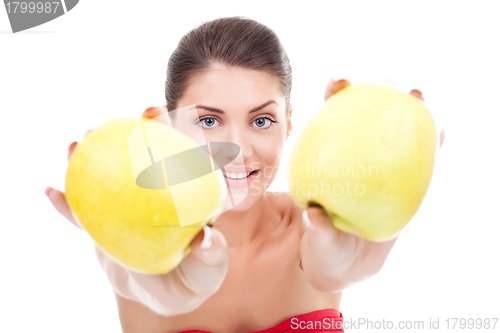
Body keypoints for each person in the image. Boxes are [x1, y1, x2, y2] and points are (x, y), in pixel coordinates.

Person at [45, 16, 445, 333]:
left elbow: (327, 266)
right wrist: (153, 279)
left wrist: (358, 241)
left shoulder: (316, 226)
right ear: (168, 128)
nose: (238, 148)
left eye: (262, 120)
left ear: (289, 124)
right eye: (208, 120)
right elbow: (133, 281)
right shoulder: (132, 240)